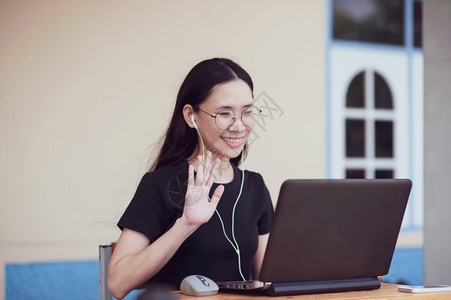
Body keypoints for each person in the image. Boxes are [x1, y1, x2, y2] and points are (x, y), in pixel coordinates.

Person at [107, 58, 274, 299]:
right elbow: (117, 283)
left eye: (247, 112)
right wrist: (185, 225)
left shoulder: (254, 186)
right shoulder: (160, 184)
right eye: (224, 113)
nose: (239, 126)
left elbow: (270, 279)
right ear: (191, 116)